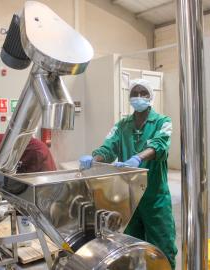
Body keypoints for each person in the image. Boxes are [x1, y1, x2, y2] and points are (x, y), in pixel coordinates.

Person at [79, 78, 177, 269]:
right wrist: (94, 159)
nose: (138, 97)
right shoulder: (122, 125)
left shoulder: (162, 122)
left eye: (143, 93)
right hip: (129, 197)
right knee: (131, 245)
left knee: (163, 245)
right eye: (135, 93)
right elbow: (108, 148)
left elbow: (160, 145)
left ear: (151, 97)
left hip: (154, 197)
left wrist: (138, 158)